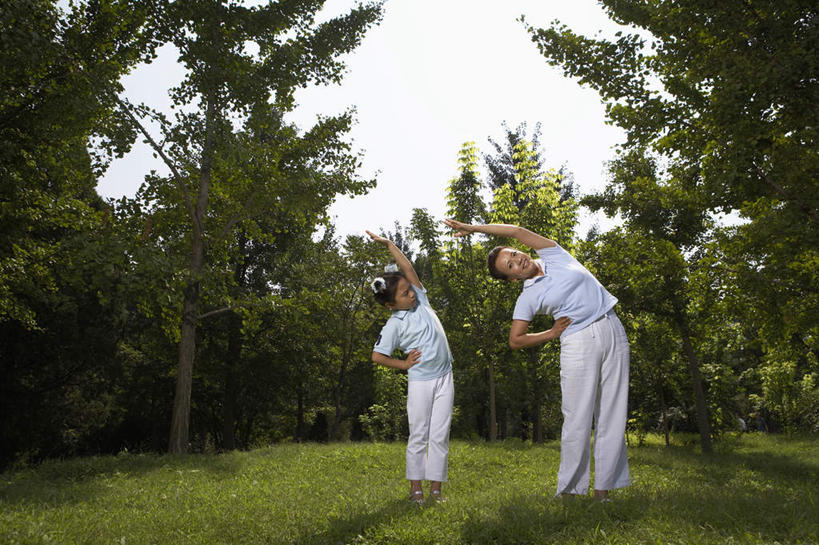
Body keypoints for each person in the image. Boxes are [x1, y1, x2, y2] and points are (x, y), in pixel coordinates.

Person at [443, 219, 630, 502]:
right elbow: (515, 339)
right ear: (511, 279)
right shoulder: (527, 298)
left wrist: (475, 228)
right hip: (578, 341)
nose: (518, 260)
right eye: (510, 266)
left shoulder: (554, 255)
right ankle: (570, 491)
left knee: (612, 412)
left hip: (612, 327)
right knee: (578, 416)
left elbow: (517, 231)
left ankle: (602, 492)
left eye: (514, 254)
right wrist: (552, 333)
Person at [367, 230, 455, 504]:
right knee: (419, 434)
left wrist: (389, 244)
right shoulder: (395, 324)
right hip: (421, 382)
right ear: (391, 304)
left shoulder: (422, 301)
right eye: (405, 293)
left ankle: (436, 490)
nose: (412, 294)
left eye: (410, 288)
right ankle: (416, 488)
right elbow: (377, 356)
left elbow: (407, 268)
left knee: (440, 435)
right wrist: (404, 364)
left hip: (445, 377)